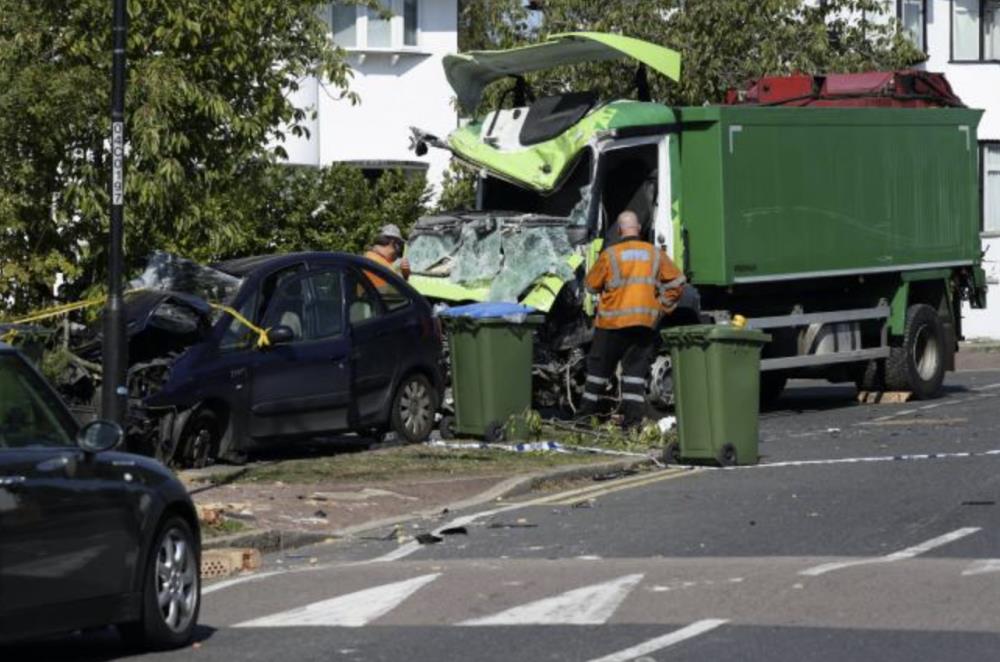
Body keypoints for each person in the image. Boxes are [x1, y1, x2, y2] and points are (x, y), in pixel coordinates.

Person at [578, 210, 686, 428]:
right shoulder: (654, 254)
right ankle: (633, 424)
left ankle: (584, 421)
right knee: (634, 377)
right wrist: (661, 307)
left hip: (611, 326)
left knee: (597, 375)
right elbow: (677, 282)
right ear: (638, 229)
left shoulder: (610, 255)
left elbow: (590, 286)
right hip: (644, 326)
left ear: (619, 230)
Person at [363, 224, 411, 289]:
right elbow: (401, 290)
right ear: (393, 242)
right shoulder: (383, 266)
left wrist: (405, 273)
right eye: (399, 243)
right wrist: (405, 276)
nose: (399, 249)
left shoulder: (368, 256)